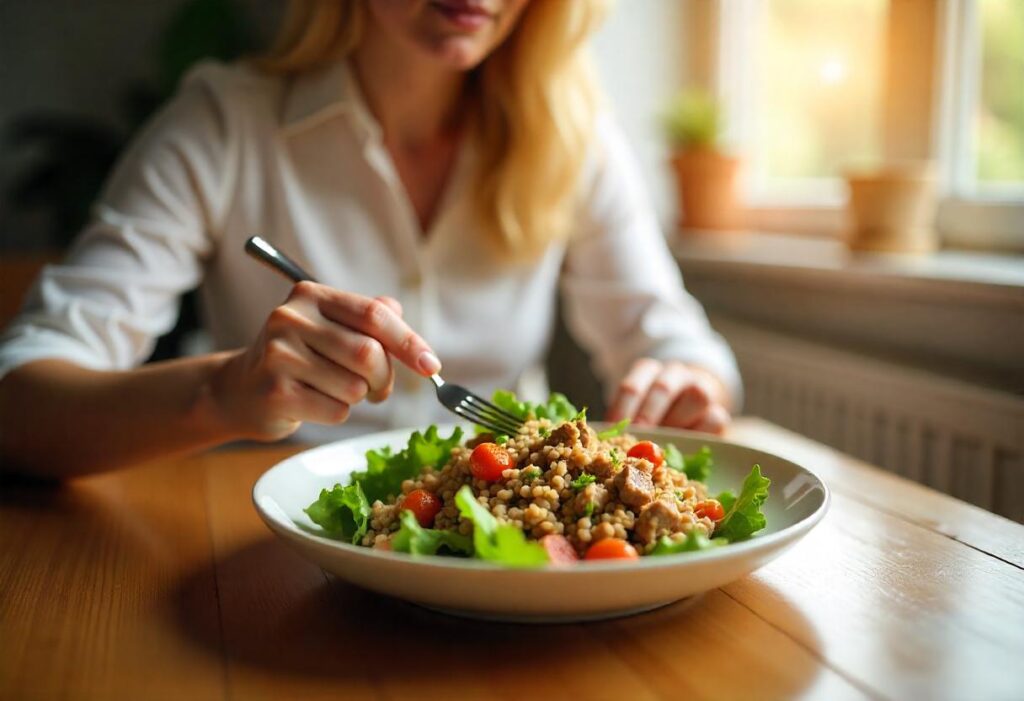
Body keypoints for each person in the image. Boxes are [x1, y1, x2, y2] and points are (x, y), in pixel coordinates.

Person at [0, 0, 740, 478]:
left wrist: (685, 385)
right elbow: (20, 403)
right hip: (254, 558)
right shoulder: (223, 123)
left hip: (508, 576)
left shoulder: (573, 135)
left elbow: (676, 345)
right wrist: (225, 390)